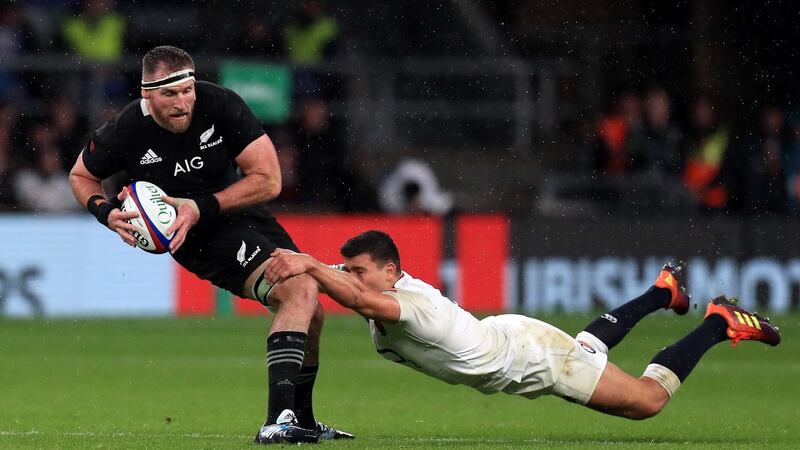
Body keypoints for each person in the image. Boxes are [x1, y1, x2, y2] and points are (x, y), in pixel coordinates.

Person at [68, 45, 351, 445]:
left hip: (233, 210)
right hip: (195, 237)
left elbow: (269, 179)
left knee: (312, 310)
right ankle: (276, 421)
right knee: (299, 289)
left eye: (187, 90)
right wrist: (105, 212)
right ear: (147, 94)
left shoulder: (220, 104)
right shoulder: (127, 128)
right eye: (170, 94)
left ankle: (302, 419)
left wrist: (200, 206)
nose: (183, 102)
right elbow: (81, 176)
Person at [265, 230, 781, 422]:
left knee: (647, 402)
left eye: (360, 270)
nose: (350, 277)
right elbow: (338, 281)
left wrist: (308, 264)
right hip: (514, 340)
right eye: (346, 268)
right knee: (586, 348)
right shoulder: (372, 284)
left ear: (391, 273)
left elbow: (353, 295)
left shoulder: (406, 303)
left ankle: (717, 322)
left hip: (531, 358)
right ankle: (662, 292)